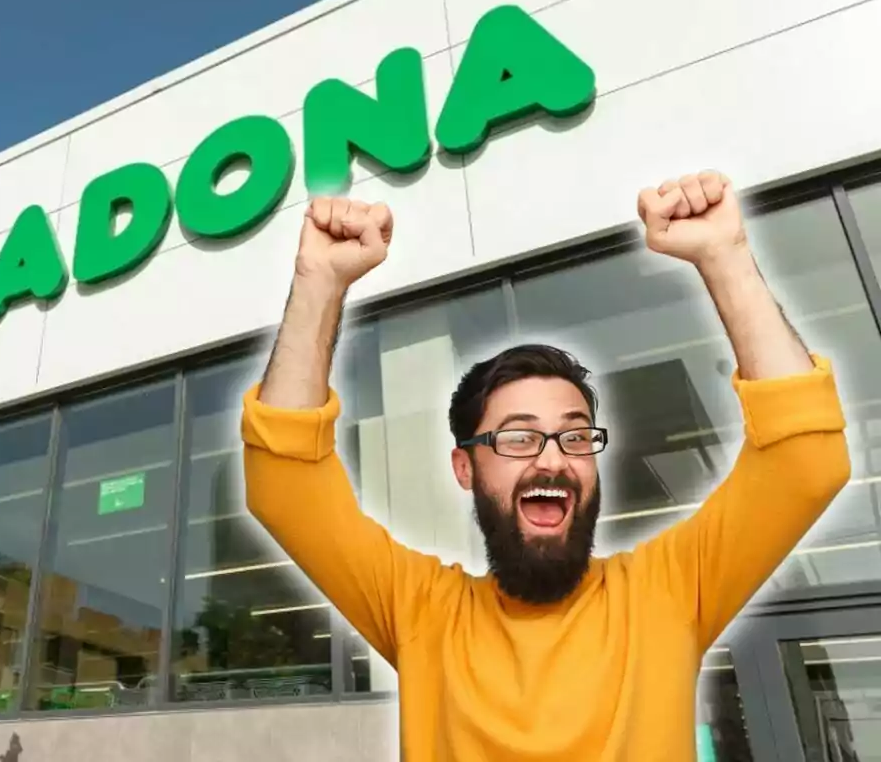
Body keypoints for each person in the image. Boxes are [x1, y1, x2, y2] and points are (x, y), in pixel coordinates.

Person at [240, 170, 851, 761]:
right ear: (464, 468)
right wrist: (319, 281)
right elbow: (286, 485)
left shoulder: (668, 591)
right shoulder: (421, 611)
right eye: (517, 439)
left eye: (574, 437)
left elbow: (804, 460)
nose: (553, 460)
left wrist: (726, 255)